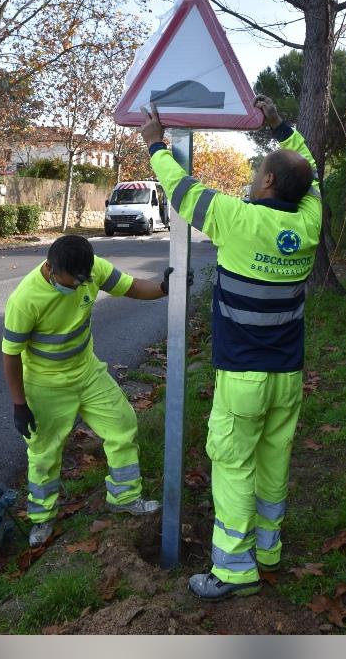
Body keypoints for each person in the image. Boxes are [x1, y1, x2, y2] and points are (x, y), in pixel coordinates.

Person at [137, 96, 322, 601]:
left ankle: (235, 571)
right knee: (273, 461)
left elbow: (179, 189)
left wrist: (155, 143)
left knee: (234, 465)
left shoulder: (236, 219)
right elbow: (312, 180)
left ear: (266, 184)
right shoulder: (308, 224)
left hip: (244, 377)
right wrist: (282, 127)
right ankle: (268, 550)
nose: (253, 174)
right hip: (287, 377)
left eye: (259, 169)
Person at [2, 235, 185, 546]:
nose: (77, 287)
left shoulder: (91, 270)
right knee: (44, 453)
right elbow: (10, 354)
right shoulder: (25, 300)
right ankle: (42, 520)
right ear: (50, 268)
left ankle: (124, 497)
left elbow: (131, 287)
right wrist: (19, 404)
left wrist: (164, 288)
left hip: (87, 372)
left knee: (123, 425)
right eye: (70, 282)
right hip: (46, 385)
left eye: (82, 280)